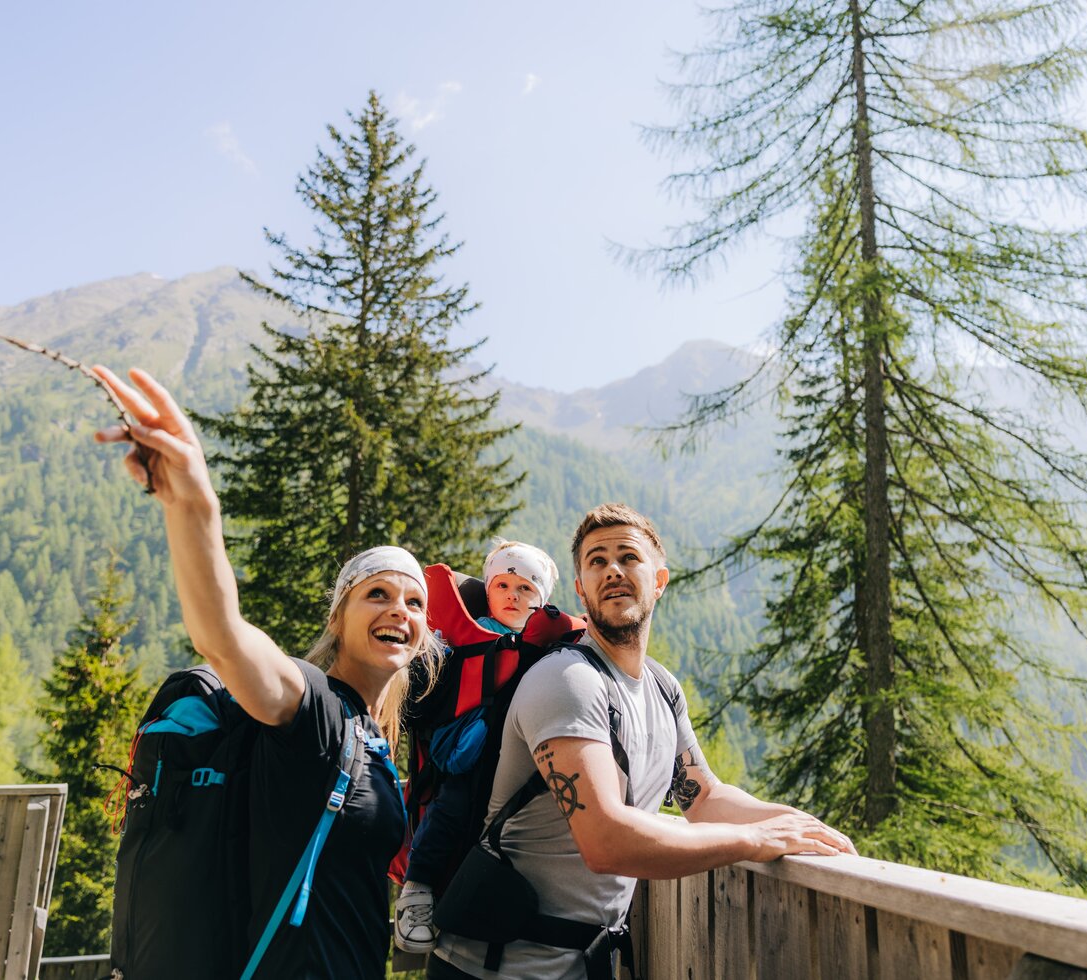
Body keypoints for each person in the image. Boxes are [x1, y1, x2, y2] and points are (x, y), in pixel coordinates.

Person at [93, 365, 438, 980]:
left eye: (414, 603)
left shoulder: (371, 737)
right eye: (377, 594)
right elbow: (222, 638)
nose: (398, 611)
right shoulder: (316, 711)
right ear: (339, 618)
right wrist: (194, 502)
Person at [431, 503, 857, 980]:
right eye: (596, 561)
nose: (611, 570)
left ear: (658, 580)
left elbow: (705, 796)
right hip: (493, 968)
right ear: (580, 590)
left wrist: (796, 824)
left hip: (579, 966)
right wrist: (753, 840)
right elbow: (607, 841)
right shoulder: (567, 680)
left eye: (627, 557)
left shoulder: (661, 687)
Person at [395, 541, 559, 953]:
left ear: (540, 603)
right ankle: (417, 888)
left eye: (525, 589)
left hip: (521, 760)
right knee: (451, 810)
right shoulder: (464, 636)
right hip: (466, 760)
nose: (512, 595)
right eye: (503, 584)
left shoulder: (548, 648)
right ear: (488, 589)